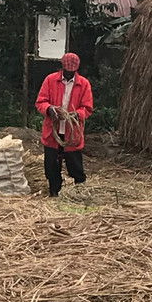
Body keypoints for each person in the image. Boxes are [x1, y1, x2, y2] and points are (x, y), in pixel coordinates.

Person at [35, 52, 93, 197]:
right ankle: (54, 191)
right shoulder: (50, 80)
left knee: (75, 164)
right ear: (62, 68)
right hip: (52, 131)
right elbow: (40, 102)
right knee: (51, 164)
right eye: (67, 71)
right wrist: (49, 109)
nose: (69, 74)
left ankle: (79, 190)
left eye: (71, 72)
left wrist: (75, 114)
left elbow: (87, 108)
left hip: (72, 132)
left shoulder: (83, 84)